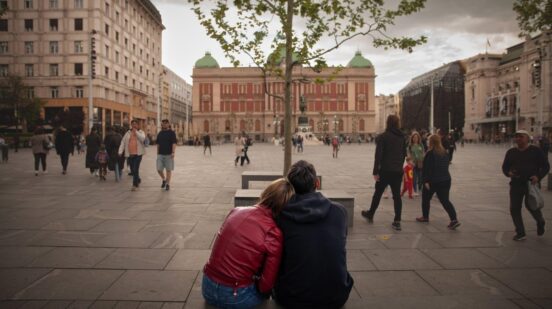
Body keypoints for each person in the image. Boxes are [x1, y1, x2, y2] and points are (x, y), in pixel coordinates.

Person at [202, 178, 294, 309]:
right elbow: (265, 285)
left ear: (265, 194)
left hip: (207, 286)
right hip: (236, 296)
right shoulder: (273, 232)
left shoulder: (236, 210)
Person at [273, 160, 353, 308]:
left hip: (292, 298)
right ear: (317, 183)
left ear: (289, 187)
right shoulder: (339, 211)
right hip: (336, 296)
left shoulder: (281, 215)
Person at [502, 130, 549, 241]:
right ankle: (520, 232)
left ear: (527, 138)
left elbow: (546, 166)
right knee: (514, 208)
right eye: (516, 136)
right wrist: (509, 173)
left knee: (532, 206)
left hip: (530, 184)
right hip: (516, 184)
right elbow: (505, 167)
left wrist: (538, 176)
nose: (518, 139)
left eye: (521, 137)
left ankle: (540, 221)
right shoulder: (511, 152)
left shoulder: (535, 151)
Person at [361, 115, 407, 231]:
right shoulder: (402, 137)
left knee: (378, 193)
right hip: (397, 171)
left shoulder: (383, 137)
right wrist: (399, 167)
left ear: (387, 123)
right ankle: (397, 220)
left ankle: (371, 213)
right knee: (397, 196)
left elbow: (378, 156)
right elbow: (403, 154)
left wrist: (375, 171)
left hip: (385, 171)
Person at [415, 134, 461, 229]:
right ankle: (454, 219)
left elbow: (427, 169)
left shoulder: (430, 153)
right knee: (445, 201)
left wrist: (426, 181)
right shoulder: (444, 152)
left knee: (425, 199)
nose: (427, 141)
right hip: (445, 179)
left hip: (433, 181)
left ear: (431, 142)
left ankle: (425, 217)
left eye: (428, 140)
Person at [119, 120, 147, 191]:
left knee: (135, 169)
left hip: (138, 154)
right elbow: (123, 142)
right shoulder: (128, 133)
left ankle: (135, 185)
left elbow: (143, 139)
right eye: (132, 124)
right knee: (133, 170)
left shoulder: (141, 132)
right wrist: (120, 151)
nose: (134, 125)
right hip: (130, 154)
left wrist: (136, 132)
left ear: (138, 125)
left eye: (135, 124)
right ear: (131, 125)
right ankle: (138, 179)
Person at [156, 119, 177, 191]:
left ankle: (167, 184)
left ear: (168, 124)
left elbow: (174, 143)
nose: (164, 124)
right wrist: (157, 153)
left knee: (168, 170)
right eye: (163, 123)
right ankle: (164, 179)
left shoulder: (172, 133)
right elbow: (158, 144)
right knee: (159, 169)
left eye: (166, 123)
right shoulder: (160, 133)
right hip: (160, 154)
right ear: (161, 124)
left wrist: (173, 152)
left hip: (169, 154)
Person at [408, 132, 425, 196]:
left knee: (420, 178)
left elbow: (423, 152)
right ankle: (414, 190)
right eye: (414, 138)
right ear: (412, 138)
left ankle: (420, 188)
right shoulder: (410, 146)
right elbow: (408, 154)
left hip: (420, 163)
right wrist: (410, 161)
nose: (415, 139)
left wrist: (423, 158)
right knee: (414, 179)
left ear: (418, 138)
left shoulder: (421, 145)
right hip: (413, 164)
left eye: (416, 137)